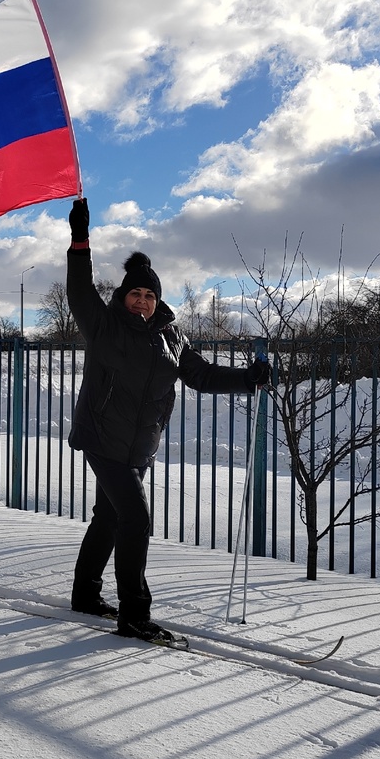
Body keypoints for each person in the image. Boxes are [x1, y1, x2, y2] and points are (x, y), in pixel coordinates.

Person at [65, 197, 271, 644]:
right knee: (135, 519)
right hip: (102, 439)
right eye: (135, 293)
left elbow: (202, 375)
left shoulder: (171, 336)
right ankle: (135, 615)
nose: (141, 301)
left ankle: (85, 594)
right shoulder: (103, 325)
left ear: (158, 301)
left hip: (140, 447)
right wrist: (80, 240)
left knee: (108, 517)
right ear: (123, 296)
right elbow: (79, 290)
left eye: (149, 295)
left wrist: (248, 378)